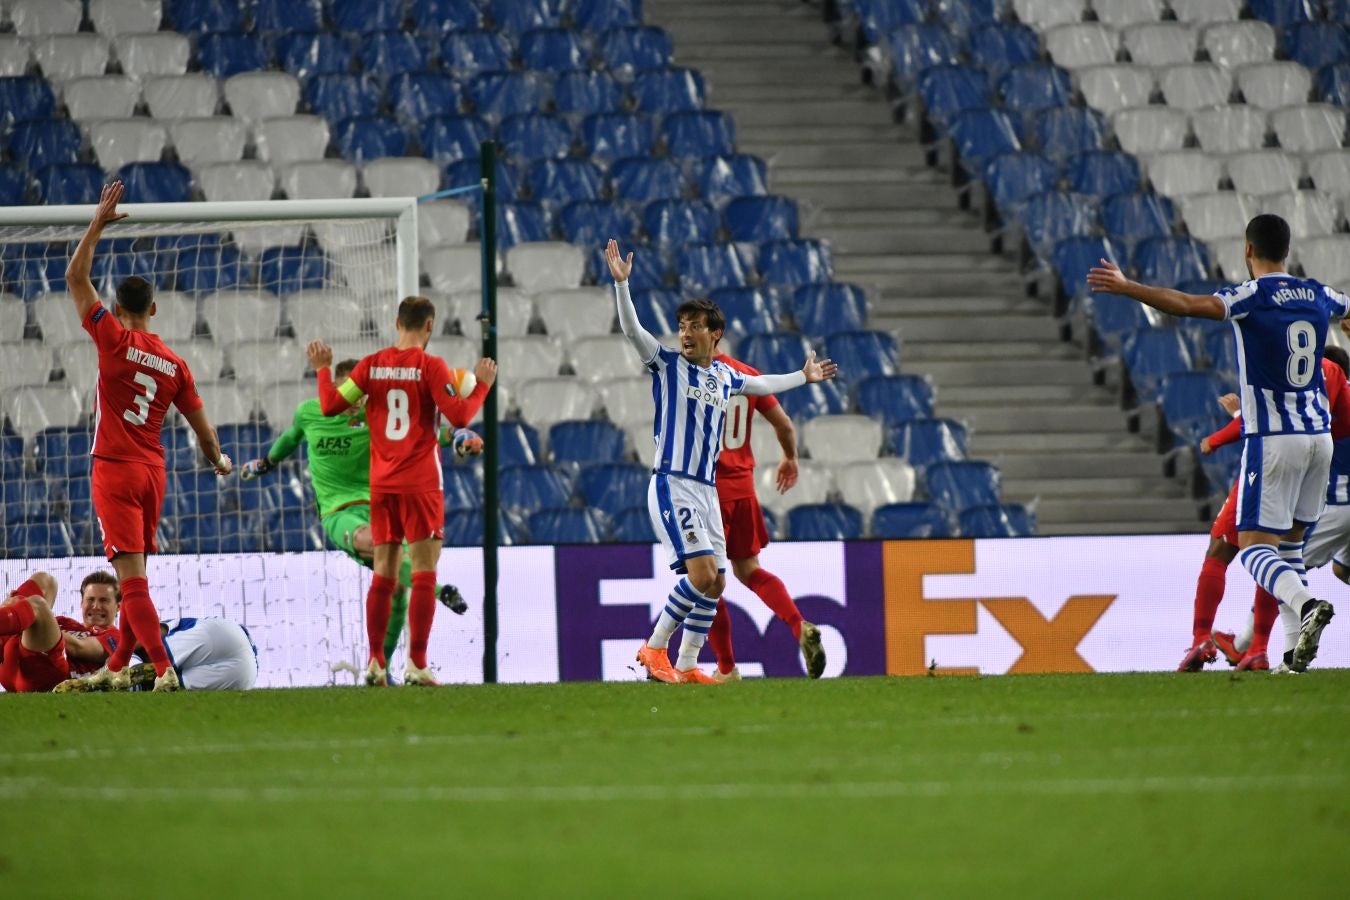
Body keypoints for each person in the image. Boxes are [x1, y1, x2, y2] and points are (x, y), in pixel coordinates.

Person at [1088, 213, 1349, 672]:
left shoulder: (1253, 294)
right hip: (1319, 441)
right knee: (1290, 546)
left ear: (1248, 251)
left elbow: (1187, 304)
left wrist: (1129, 287)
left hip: (1275, 440)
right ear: (1287, 250)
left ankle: (1307, 606)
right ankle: (1292, 659)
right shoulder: (1319, 293)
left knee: (1252, 546)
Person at [604, 240, 838, 685]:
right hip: (674, 483)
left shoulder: (726, 375)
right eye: (681, 325)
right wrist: (622, 285)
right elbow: (633, 331)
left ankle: (690, 664)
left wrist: (802, 377)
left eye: (694, 326)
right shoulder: (667, 364)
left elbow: (763, 382)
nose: (685, 332)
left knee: (717, 583)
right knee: (703, 573)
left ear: (715, 335)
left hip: (708, 490)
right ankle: (655, 649)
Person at [64, 182, 232, 693]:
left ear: (116, 310)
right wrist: (220, 461)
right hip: (152, 474)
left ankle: (162, 671)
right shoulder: (176, 364)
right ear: (154, 310)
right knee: (139, 582)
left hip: (113, 468)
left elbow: (74, 276)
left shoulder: (112, 338)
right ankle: (115, 669)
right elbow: (204, 434)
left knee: (131, 583)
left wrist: (97, 225)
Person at [240, 356, 478, 669]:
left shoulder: (376, 414)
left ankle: (379, 667)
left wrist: (459, 435)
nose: (354, 402)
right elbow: (289, 439)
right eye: (348, 394)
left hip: (380, 506)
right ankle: (438, 590)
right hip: (339, 512)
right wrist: (265, 463)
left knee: (397, 589)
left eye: (359, 394)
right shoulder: (310, 412)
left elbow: (426, 434)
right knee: (379, 546)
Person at [311, 295, 495, 687]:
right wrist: (481, 385)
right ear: (429, 326)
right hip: (421, 484)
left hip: (382, 486)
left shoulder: (370, 365)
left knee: (384, 574)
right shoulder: (430, 366)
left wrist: (324, 370)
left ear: (397, 323)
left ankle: (376, 664)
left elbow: (328, 406)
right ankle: (416, 664)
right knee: (425, 573)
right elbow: (460, 416)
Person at [1183, 346, 1350, 672]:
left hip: (1278, 464)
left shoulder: (1288, 363)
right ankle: (1268, 651)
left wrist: (1216, 438)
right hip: (1315, 473)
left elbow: (1262, 417)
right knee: (1290, 554)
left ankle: (1208, 639)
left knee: (1236, 550)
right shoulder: (1337, 380)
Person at [704, 349, 826, 682]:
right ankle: (799, 624)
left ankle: (726, 668)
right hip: (743, 490)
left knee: (707, 584)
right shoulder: (748, 374)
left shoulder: (694, 374)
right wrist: (790, 457)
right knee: (750, 570)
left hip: (707, 491)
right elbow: (784, 424)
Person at [58, 617, 259, 692]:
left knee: (156, 670)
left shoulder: (108, 632)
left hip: (226, 636)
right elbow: (155, 631)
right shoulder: (111, 631)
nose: (96, 607)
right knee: (173, 685)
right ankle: (135, 673)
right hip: (247, 674)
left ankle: (132, 674)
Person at [1, 572, 120, 693]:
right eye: (90, 600)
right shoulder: (65, 622)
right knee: (46, 580)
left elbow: (77, 647)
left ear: (118, 606)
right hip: (9, 661)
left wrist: (22, 604)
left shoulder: (115, 636)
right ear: (82, 603)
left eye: (104, 600)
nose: (96, 606)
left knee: (37, 605)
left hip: (45, 676)